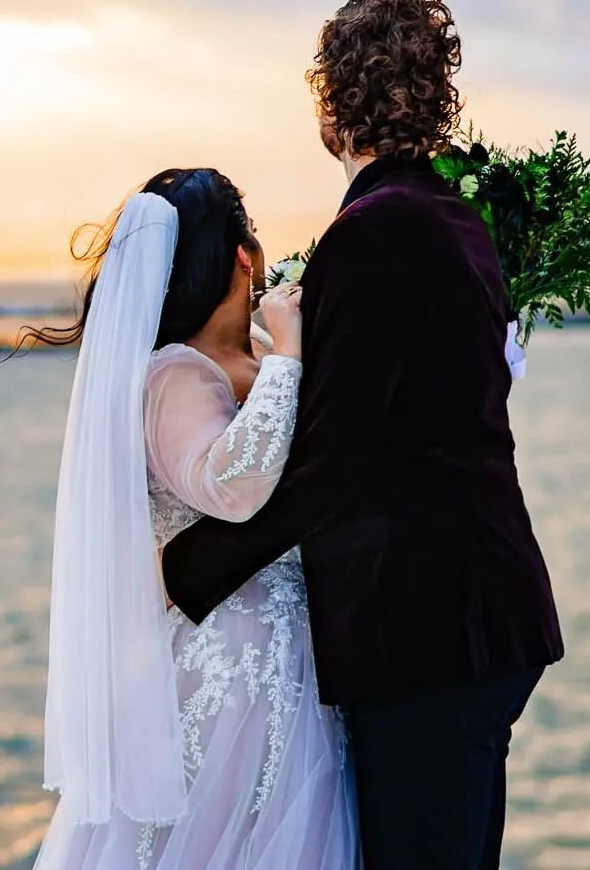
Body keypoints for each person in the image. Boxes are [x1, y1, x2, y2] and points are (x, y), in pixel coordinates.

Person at [162, 0, 564, 869]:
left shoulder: (371, 235)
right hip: (482, 613)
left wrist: (187, 569)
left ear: (330, 113)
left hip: (428, 631)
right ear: (435, 102)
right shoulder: (461, 226)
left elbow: (333, 459)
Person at [30, 168, 359, 869]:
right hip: (226, 679)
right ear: (247, 258)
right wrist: (290, 353)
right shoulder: (173, 373)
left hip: (296, 662)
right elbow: (231, 487)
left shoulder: (262, 360)